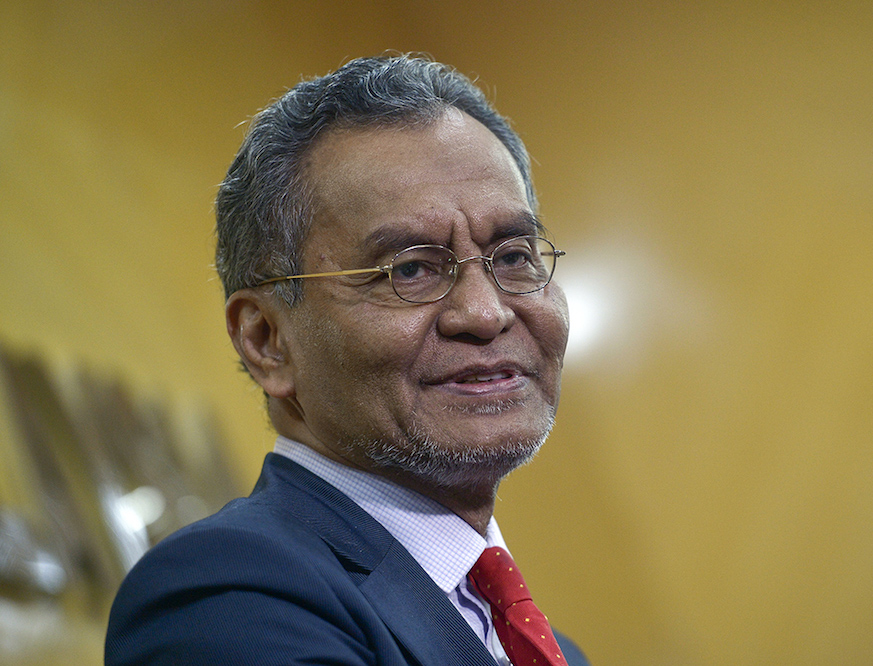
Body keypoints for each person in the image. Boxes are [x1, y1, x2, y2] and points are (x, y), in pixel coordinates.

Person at [104, 55, 587, 666]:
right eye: (411, 269)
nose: (485, 313)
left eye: (515, 256)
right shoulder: (229, 599)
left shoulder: (552, 651)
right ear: (267, 340)